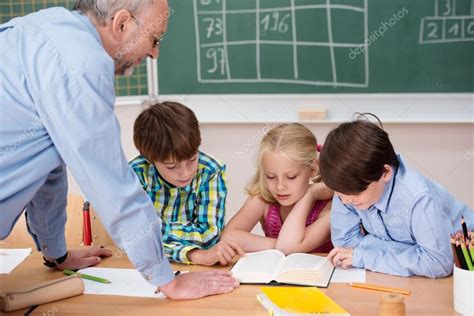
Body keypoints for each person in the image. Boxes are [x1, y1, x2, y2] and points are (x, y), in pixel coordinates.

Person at [0, 0, 238, 300]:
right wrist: (169, 281)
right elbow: (113, 186)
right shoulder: (83, 66)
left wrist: (56, 255)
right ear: (122, 23)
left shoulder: (41, 26)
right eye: (154, 38)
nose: (155, 53)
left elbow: (47, 166)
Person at [322, 113, 474, 278]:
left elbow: (438, 263)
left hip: (466, 266)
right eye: (339, 194)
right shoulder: (348, 187)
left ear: (385, 172)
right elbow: (344, 243)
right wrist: (410, 254)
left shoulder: (418, 198)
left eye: (356, 193)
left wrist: (367, 255)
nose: (345, 201)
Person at [129, 101, 244, 266]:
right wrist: (193, 255)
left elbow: (209, 237)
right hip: (147, 269)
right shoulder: (135, 173)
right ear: (150, 159)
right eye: (171, 166)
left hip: (197, 271)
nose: (185, 172)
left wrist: (155, 230)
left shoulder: (211, 171)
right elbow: (135, 240)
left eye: (192, 159)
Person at [222, 123, 333, 254]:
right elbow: (227, 237)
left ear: (313, 169)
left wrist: (310, 194)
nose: (280, 187)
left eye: (291, 177)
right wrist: (281, 245)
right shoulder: (263, 200)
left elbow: (288, 247)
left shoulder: (330, 208)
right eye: (270, 176)